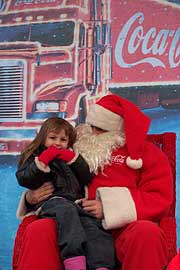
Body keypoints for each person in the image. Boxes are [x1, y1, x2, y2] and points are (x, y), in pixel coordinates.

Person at [13, 94, 173, 270]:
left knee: (147, 234)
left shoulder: (147, 154)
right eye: (92, 126)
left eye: (101, 129)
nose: (94, 133)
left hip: (124, 229)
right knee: (40, 230)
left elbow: (159, 197)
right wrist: (30, 198)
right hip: (73, 224)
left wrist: (108, 207)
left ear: (118, 130)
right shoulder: (73, 146)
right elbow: (49, 176)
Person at [15, 117, 115, 270]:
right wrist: (41, 162)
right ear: (43, 138)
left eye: (63, 139)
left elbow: (87, 178)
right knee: (67, 215)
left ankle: (102, 266)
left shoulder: (69, 157)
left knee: (93, 227)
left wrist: (74, 160)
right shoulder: (36, 157)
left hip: (74, 203)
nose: (57, 143)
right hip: (52, 202)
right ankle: (74, 261)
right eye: (52, 138)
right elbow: (24, 178)